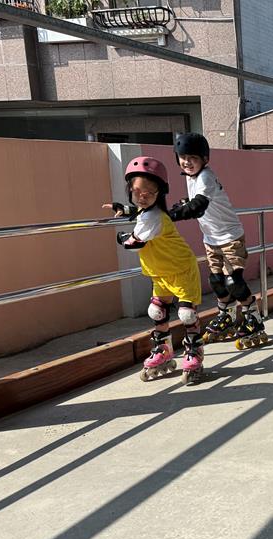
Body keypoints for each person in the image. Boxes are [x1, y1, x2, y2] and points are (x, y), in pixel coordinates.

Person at [106, 156, 207, 385]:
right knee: (157, 311)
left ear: (159, 194)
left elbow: (134, 243)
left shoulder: (155, 217)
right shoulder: (147, 212)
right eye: (137, 191)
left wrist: (121, 237)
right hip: (160, 273)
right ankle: (164, 349)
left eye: (149, 193)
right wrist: (123, 208)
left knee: (187, 314)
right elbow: (139, 211)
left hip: (181, 269)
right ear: (130, 190)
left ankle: (194, 352)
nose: (143, 196)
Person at [171, 132, 268, 349]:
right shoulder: (191, 177)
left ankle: (254, 317)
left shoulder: (205, 176)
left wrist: (174, 215)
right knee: (216, 281)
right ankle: (227, 315)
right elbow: (195, 200)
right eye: (183, 157)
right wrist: (182, 204)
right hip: (211, 239)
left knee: (233, 282)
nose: (187, 162)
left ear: (204, 159)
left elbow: (199, 205)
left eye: (193, 158)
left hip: (230, 236)